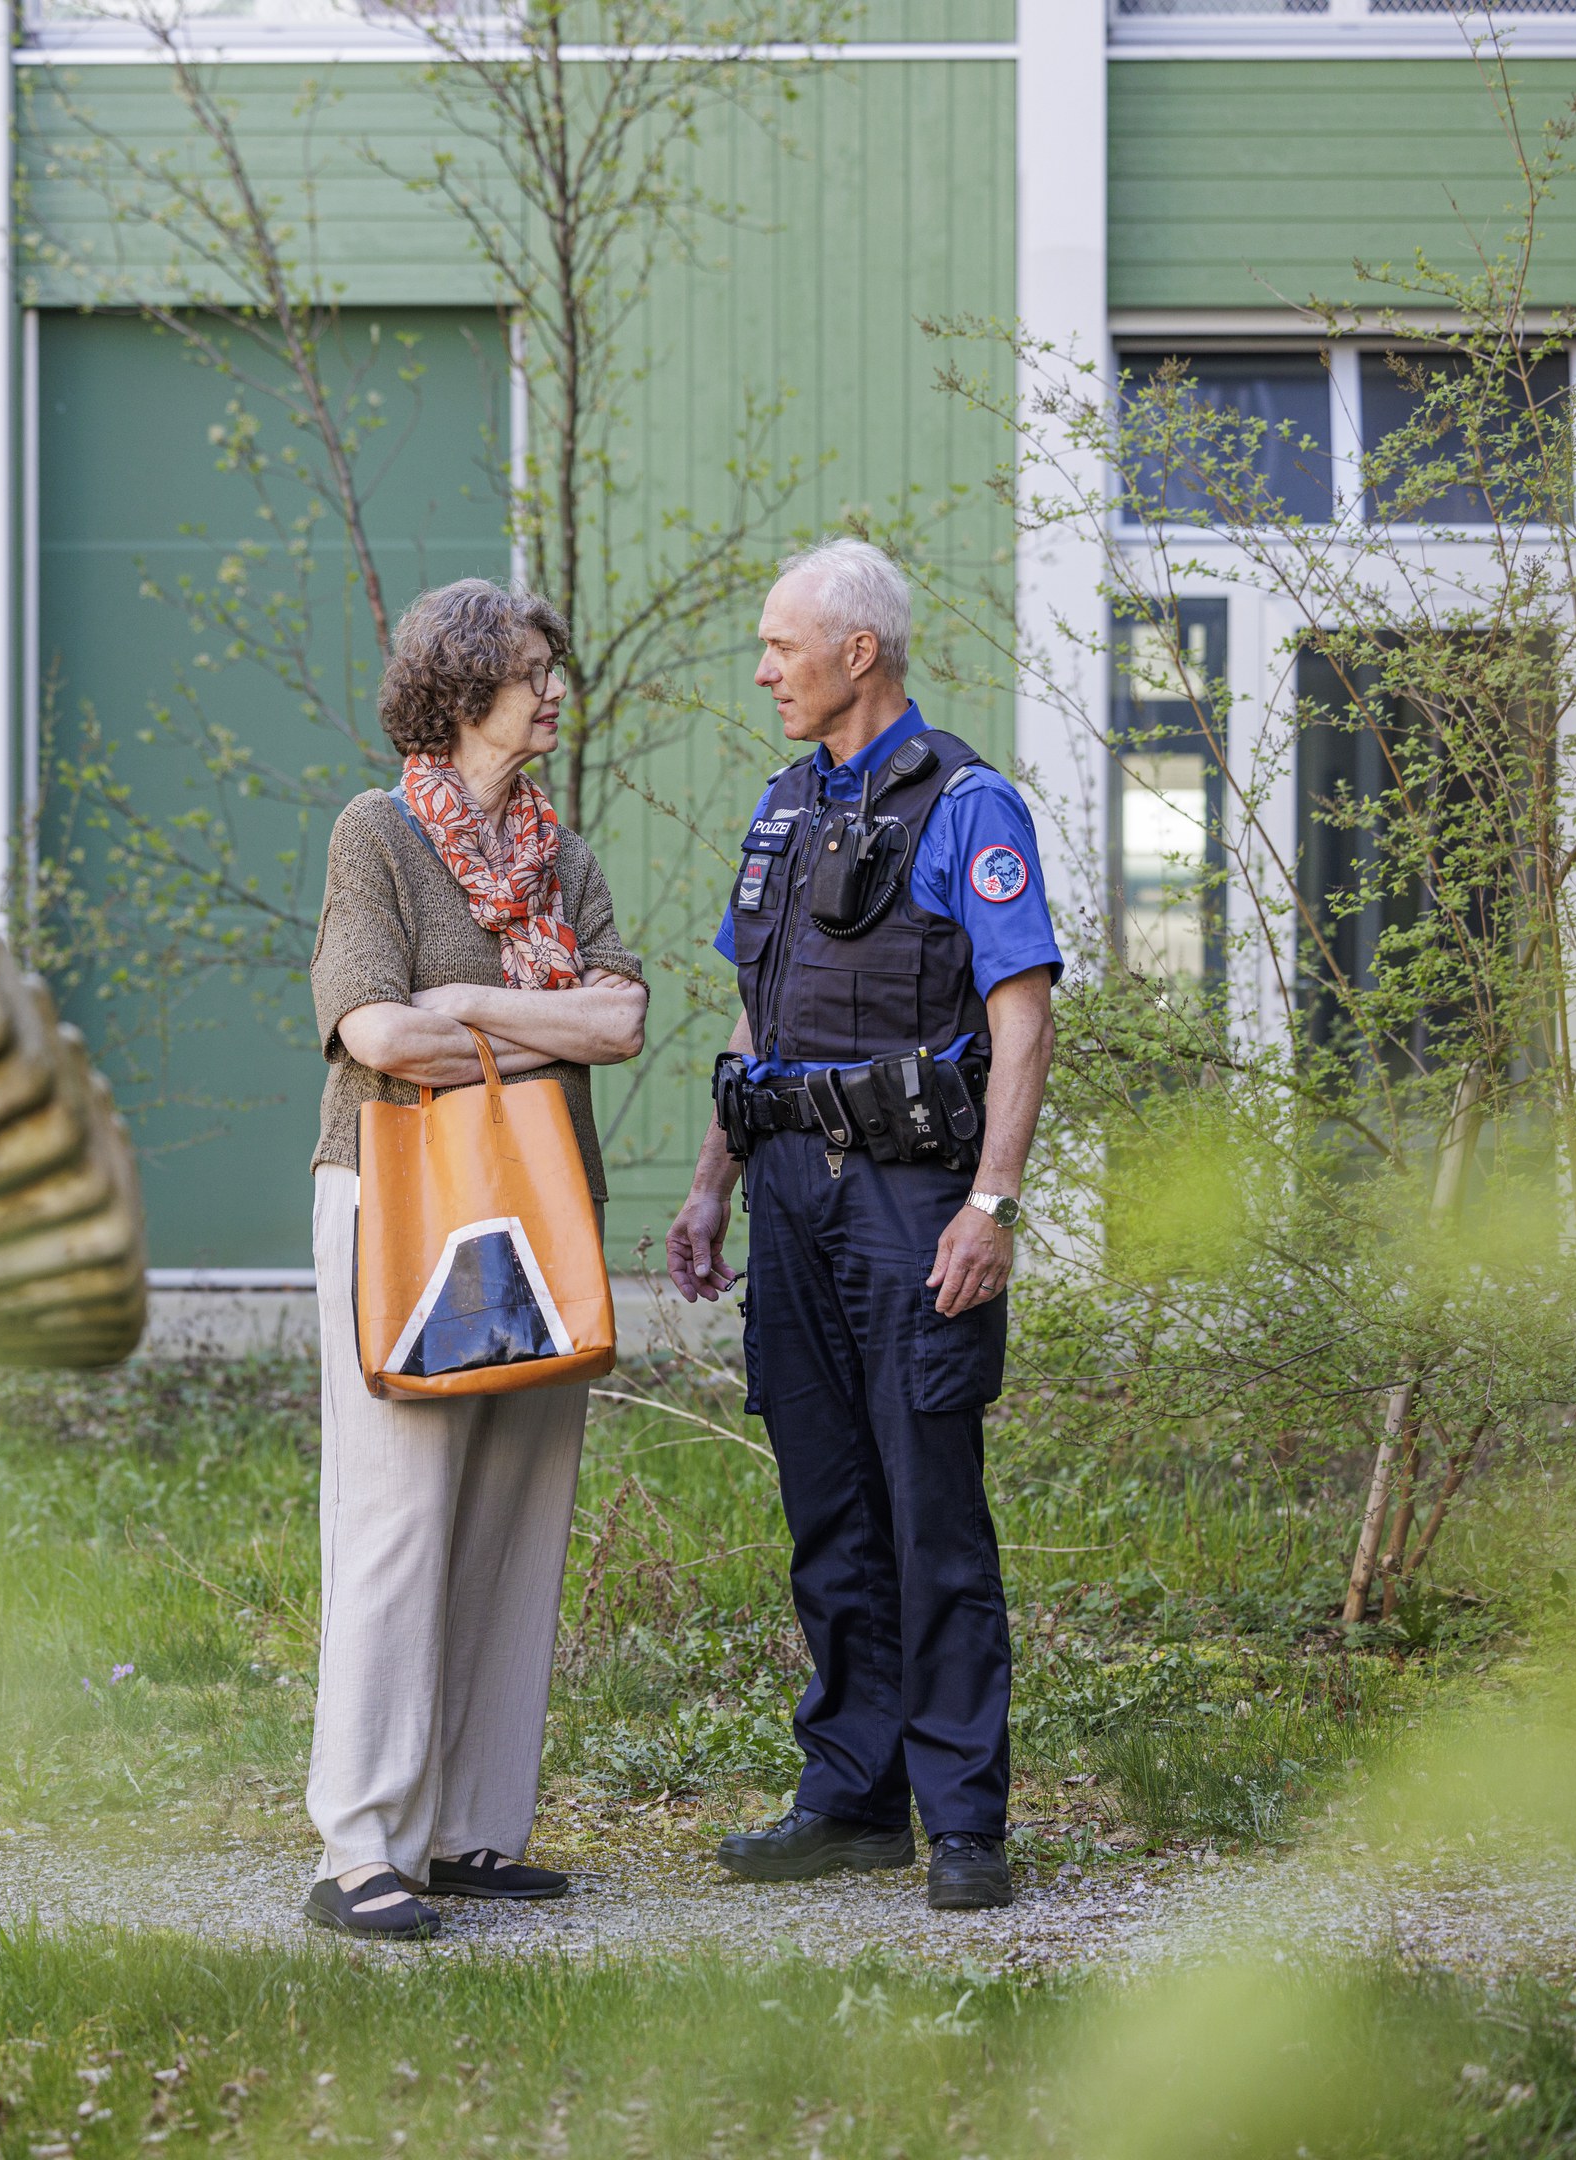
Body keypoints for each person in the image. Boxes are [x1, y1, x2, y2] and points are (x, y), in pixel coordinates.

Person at [663, 538, 1060, 1914]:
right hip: (789, 1198)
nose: (762, 671)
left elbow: (1022, 1019)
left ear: (858, 653)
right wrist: (712, 1180)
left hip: (911, 1203)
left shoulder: (968, 806)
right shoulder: (782, 810)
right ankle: (850, 1797)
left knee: (929, 1507)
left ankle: (963, 1823)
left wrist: (992, 1204)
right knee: (827, 1505)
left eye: (780, 646)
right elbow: (755, 1018)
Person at [302, 577, 650, 1939]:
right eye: (529, 671)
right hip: (398, 1199)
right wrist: (530, 1017)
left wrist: (463, 1002)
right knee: (397, 1514)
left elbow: (621, 1022)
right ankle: (360, 1846)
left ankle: (468, 1833)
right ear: (460, 692)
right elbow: (373, 1033)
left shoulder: (564, 859)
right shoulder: (377, 835)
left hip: (538, 1206)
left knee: (517, 1512)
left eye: (552, 668)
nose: (553, 690)